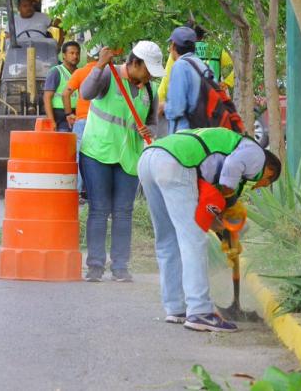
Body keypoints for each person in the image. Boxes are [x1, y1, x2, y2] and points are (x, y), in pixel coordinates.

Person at [138, 127, 281, 332]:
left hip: (151, 159)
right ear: (270, 171)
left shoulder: (221, 150)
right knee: (193, 240)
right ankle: (200, 311)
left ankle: (176, 308)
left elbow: (203, 197)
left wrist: (222, 227)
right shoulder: (257, 154)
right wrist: (229, 205)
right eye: (265, 183)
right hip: (176, 162)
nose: (259, 185)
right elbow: (231, 168)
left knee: (168, 240)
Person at [78, 41, 165, 282]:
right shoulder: (108, 74)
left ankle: (120, 267)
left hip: (128, 158)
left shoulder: (150, 90)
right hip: (98, 152)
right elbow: (85, 93)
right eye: (147, 70)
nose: (149, 77)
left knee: (124, 212)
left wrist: (148, 130)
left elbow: (153, 124)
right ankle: (95, 266)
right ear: (135, 62)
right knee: (99, 209)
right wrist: (98, 67)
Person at [158, 23, 234, 109]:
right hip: (212, 103)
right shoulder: (217, 49)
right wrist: (226, 83)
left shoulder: (179, 51)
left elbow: (166, 80)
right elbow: (239, 67)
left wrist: (159, 103)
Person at [62, 46, 100, 197]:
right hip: (101, 123)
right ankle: (95, 194)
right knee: (98, 158)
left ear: (89, 57)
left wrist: (69, 114)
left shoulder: (80, 72)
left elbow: (66, 93)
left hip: (82, 120)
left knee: (77, 157)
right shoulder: (108, 73)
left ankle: (75, 194)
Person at [162, 26, 209, 134]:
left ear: (174, 45)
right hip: (203, 133)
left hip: (184, 135)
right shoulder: (203, 67)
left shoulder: (180, 66)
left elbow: (176, 109)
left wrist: (163, 107)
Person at [42, 41, 81, 132]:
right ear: (64, 55)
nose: (75, 56)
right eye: (71, 53)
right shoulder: (56, 72)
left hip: (77, 115)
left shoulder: (80, 72)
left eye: (77, 53)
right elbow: (47, 97)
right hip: (60, 116)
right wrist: (51, 121)